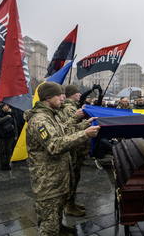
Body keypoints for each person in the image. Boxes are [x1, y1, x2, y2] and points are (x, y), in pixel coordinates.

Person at [25, 82, 100, 236]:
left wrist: (85, 125)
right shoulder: (41, 120)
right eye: (58, 95)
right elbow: (55, 145)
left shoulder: (50, 115)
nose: (63, 97)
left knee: (57, 210)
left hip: (57, 177)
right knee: (48, 225)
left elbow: (64, 130)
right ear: (47, 98)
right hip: (47, 182)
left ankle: (59, 228)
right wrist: (85, 134)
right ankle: (55, 230)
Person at [63, 84, 90, 216]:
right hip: (72, 148)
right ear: (71, 94)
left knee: (75, 176)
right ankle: (69, 205)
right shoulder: (69, 108)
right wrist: (87, 124)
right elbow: (69, 129)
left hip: (75, 148)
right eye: (77, 92)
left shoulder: (73, 106)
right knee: (72, 178)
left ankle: (72, 202)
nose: (80, 94)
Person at [0, 103, 18, 170]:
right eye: (4, 106)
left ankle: (7, 163)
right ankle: (2, 163)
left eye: (7, 106)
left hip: (10, 134)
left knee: (8, 150)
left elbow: (15, 124)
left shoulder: (12, 114)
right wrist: (7, 117)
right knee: (3, 150)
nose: (6, 107)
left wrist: (16, 134)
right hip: (2, 134)